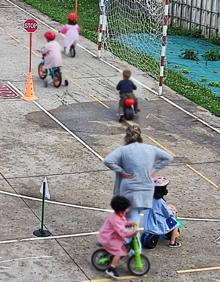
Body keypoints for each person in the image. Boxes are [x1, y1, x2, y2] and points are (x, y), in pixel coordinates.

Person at [104, 126, 173, 226]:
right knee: (134, 213)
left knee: (132, 216)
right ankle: (131, 234)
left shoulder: (123, 150)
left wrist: (121, 171)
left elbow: (108, 161)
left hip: (129, 190)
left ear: (126, 137)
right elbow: (168, 157)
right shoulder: (150, 148)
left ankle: (131, 237)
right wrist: (153, 170)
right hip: (146, 190)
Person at [98, 196, 137, 278]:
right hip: (109, 239)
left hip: (111, 236)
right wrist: (132, 233)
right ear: (122, 209)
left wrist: (129, 223)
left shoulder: (119, 214)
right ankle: (111, 269)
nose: (128, 209)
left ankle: (112, 259)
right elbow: (122, 232)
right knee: (119, 252)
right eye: (127, 208)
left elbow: (123, 223)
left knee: (123, 247)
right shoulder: (116, 219)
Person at [143, 176, 182, 248]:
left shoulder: (149, 198)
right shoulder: (160, 202)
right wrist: (171, 210)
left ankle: (167, 234)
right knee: (175, 225)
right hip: (157, 221)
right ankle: (172, 242)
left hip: (149, 220)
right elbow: (167, 213)